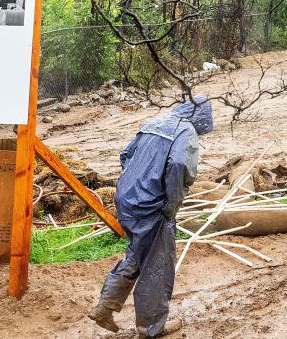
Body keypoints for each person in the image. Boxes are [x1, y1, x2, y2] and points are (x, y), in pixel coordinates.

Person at [88, 95, 213, 337]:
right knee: (158, 266)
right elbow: (179, 165)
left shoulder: (156, 122)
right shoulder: (186, 131)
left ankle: (105, 307)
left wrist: (136, 182)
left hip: (127, 200)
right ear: (201, 117)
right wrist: (171, 204)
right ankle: (150, 329)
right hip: (151, 207)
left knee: (137, 254)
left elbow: (126, 155)